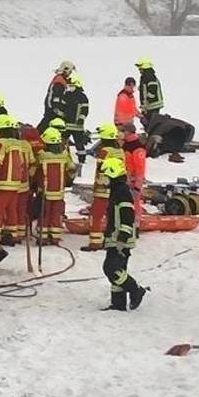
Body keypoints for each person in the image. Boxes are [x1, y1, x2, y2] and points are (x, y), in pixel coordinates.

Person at [100, 157, 147, 311]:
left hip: (120, 239)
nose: (103, 179)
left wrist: (121, 239)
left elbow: (127, 216)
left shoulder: (121, 192)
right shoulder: (117, 190)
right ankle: (118, 303)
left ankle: (135, 290)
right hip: (115, 237)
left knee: (111, 268)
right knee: (119, 270)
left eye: (105, 175)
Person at [0, 115, 31, 245]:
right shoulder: (18, 143)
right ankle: (12, 235)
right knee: (11, 209)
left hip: (1, 183)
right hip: (15, 184)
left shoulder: (1, 143)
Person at [86, 123, 125, 252]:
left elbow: (100, 170)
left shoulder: (104, 152)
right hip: (116, 189)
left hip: (103, 190)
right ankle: (110, 241)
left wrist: (96, 187)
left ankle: (95, 243)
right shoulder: (120, 151)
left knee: (96, 216)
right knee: (112, 216)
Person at [34, 127, 75, 245]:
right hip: (59, 191)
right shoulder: (64, 155)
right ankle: (55, 237)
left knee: (45, 214)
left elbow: (34, 170)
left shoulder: (42, 155)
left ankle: (43, 237)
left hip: (45, 191)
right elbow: (71, 169)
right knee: (56, 214)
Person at [62, 74, 91, 165]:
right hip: (66, 125)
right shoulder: (66, 95)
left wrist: (81, 119)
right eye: (69, 85)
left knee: (79, 144)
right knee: (62, 141)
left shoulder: (82, 97)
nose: (69, 87)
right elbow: (62, 107)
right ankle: (62, 157)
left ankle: (82, 160)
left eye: (71, 86)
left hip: (77, 126)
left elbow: (85, 110)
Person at [38, 61, 74, 132]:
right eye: (70, 71)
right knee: (49, 123)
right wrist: (58, 109)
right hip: (53, 108)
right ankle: (36, 137)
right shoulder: (60, 81)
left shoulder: (61, 79)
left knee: (47, 123)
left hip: (51, 107)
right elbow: (57, 96)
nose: (71, 73)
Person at [122, 129, 148, 223]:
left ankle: (136, 223)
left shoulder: (137, 147)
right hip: (125, 179)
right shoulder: (125, 144)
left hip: (133, 181)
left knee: (135, 201)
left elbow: (140, 168)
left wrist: (138, 185)